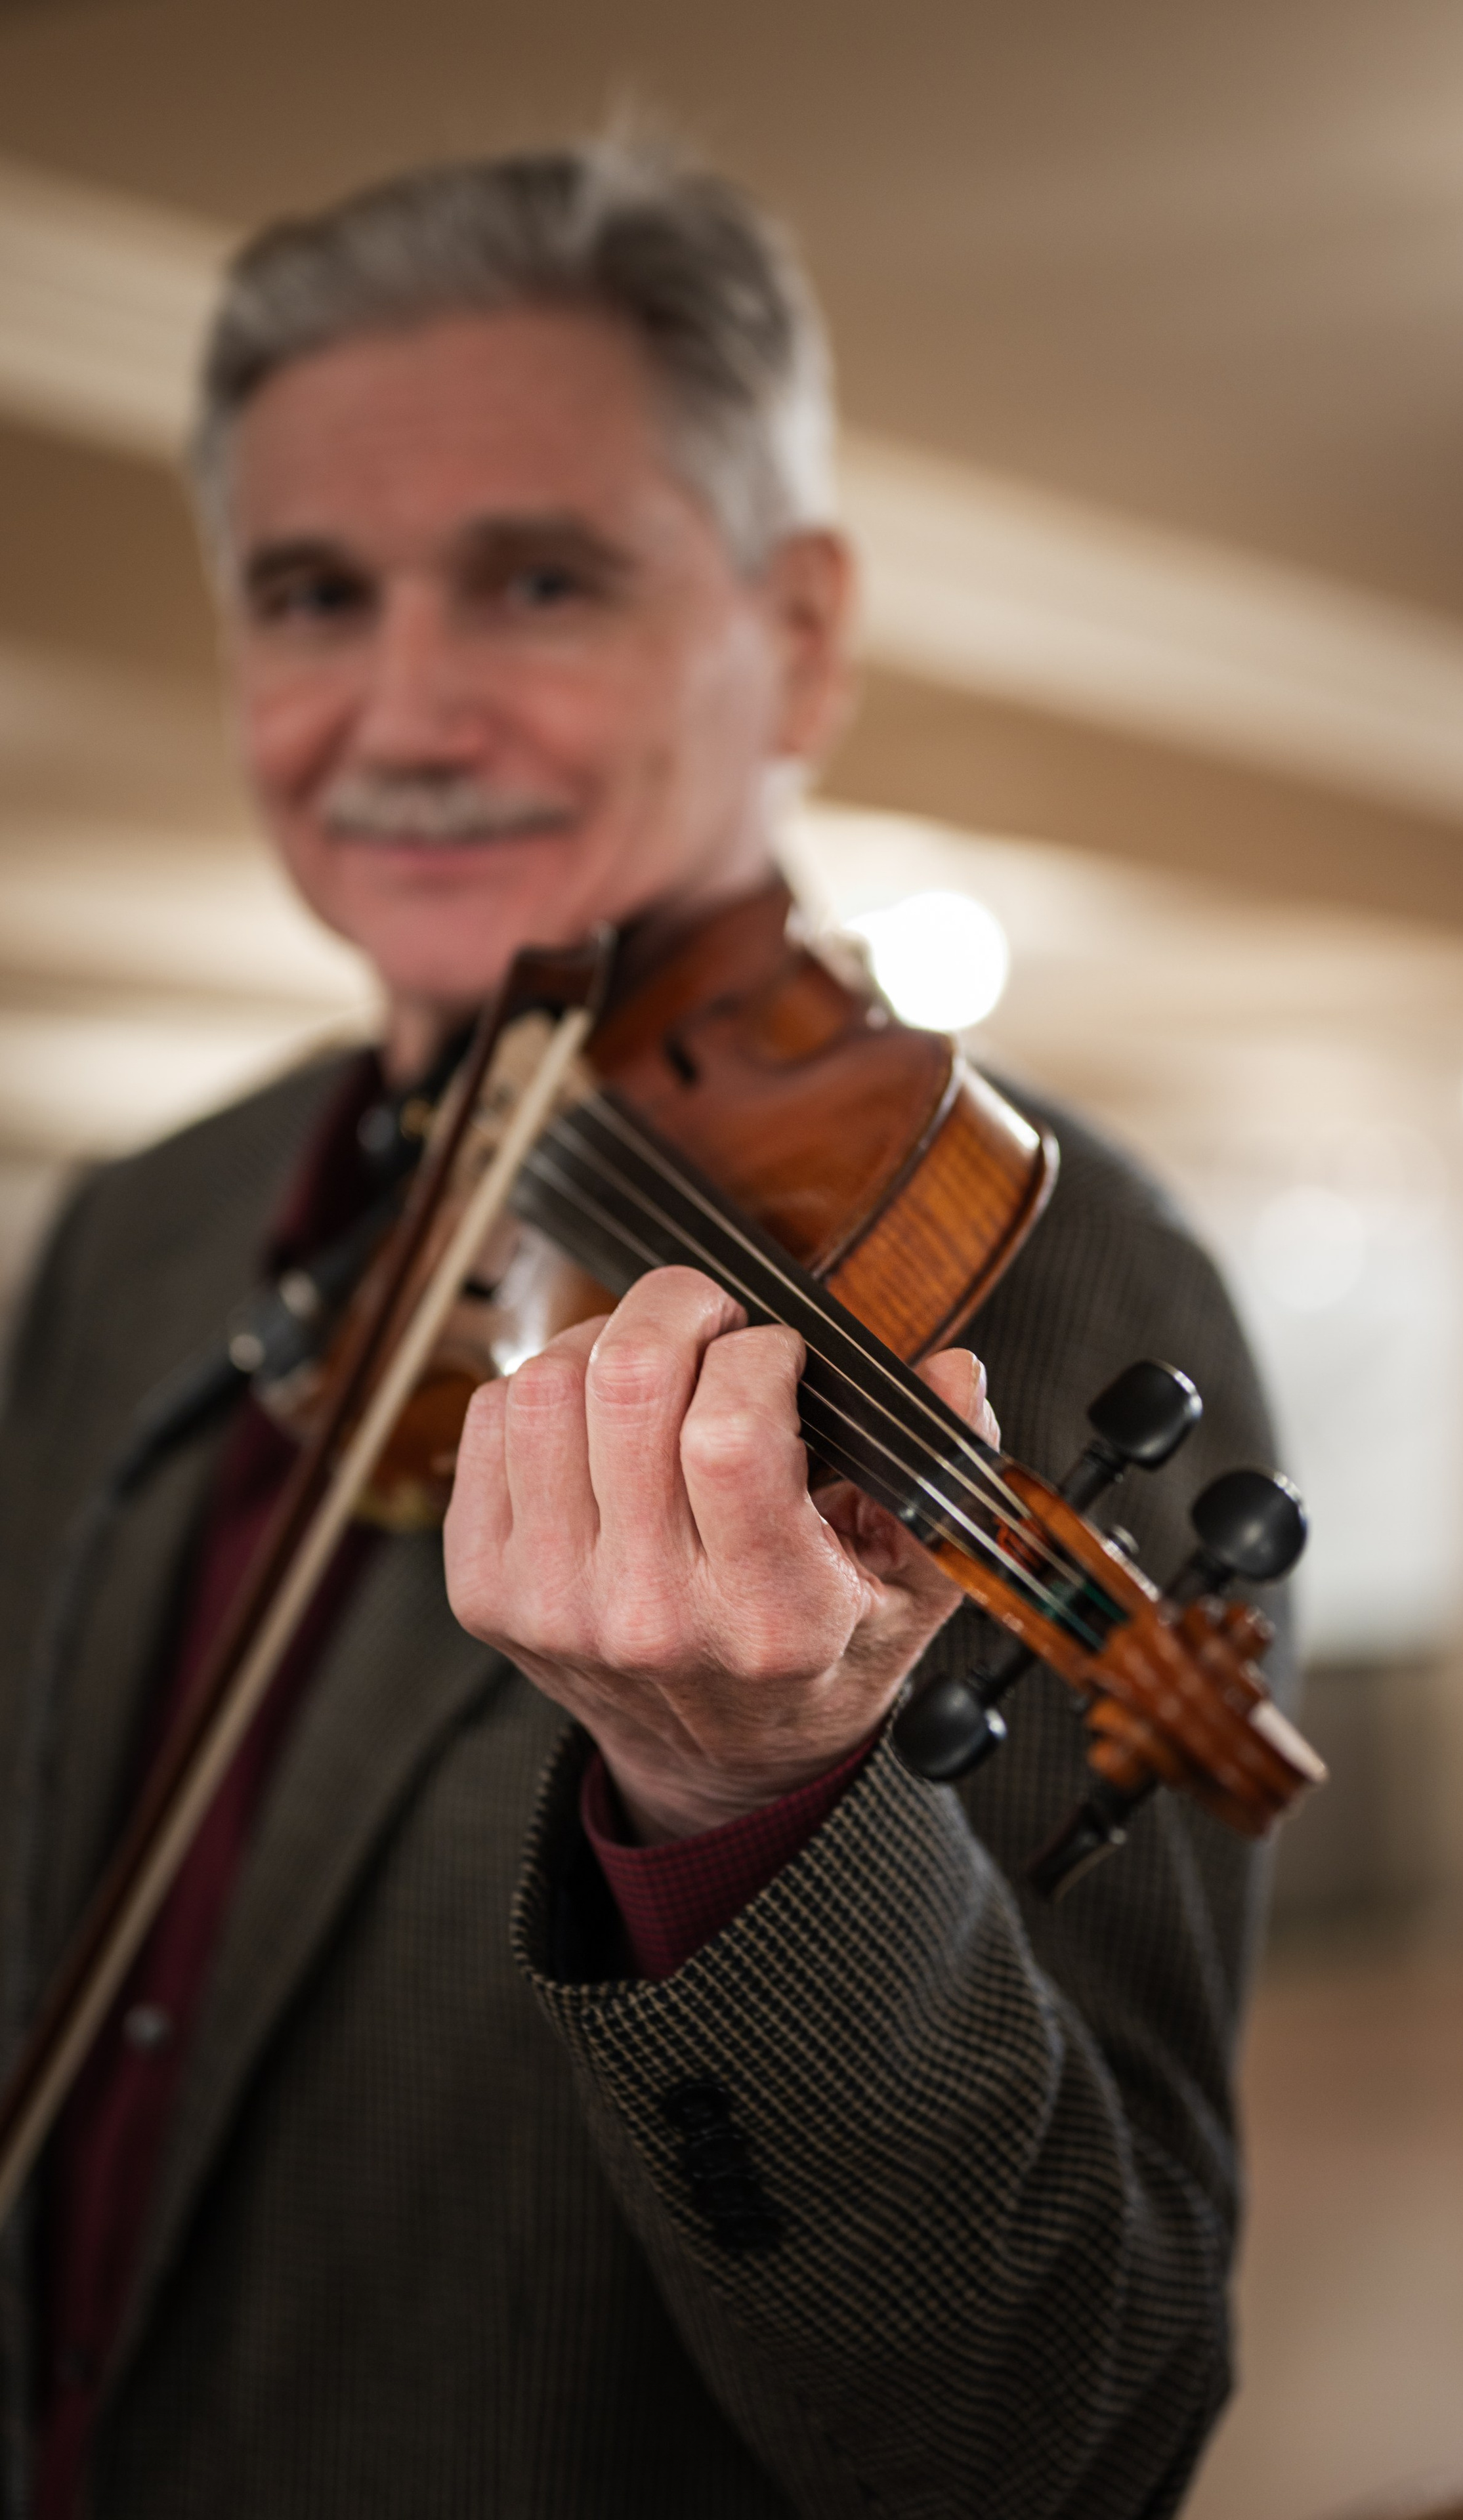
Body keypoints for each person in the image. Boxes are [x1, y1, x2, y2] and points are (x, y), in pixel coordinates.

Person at [0, 141, 1291, 2520]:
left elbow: (1064, 2420)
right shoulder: (142, 1225)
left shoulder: (1047, 1267)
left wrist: (752, 1811)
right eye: (309, 593)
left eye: (538, 578)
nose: (401, 707)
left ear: (796, 634)